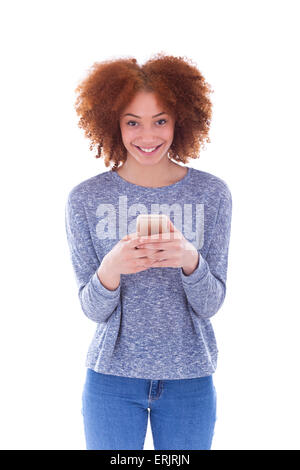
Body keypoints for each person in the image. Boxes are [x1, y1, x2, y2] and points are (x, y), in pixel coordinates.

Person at [65, 53, 232, 450]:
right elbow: (92, 310)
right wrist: (111, 269)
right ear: (113, 124)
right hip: (111, 382)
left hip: (190, 380)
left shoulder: (212, 194)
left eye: (160, 120)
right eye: (132, 122)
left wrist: (190, 262)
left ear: (180, 121)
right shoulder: (85, 199)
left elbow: (211, 303)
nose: (148, 136)